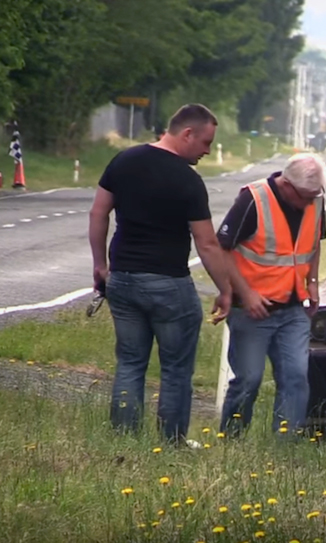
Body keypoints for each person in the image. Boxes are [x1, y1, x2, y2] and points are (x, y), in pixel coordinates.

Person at [88, 103, 232, 444]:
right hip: (168, 283)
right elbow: (207, 244)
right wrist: (225, 289)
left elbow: (98, 214)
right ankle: (172, 441)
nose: (207, 151)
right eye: (205, 143)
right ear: (186, 134)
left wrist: (100, 265)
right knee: (176, 369)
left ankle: (124, 438)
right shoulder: (187, 180)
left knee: (130, 363)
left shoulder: (123, 161)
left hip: (122, 278)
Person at [215, 152, 326, 438]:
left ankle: (285, 448)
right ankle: (231, 440)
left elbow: (314, 242)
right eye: (305, 196)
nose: (310, 202)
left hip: (293, 310)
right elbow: (222, 248)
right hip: (253, 310)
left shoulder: (315, 199)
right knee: (249, 381)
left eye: (316, 195)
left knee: (295, 377)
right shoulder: (253, 199)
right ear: (287, 186)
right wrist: (246, 293)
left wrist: (312, 281)